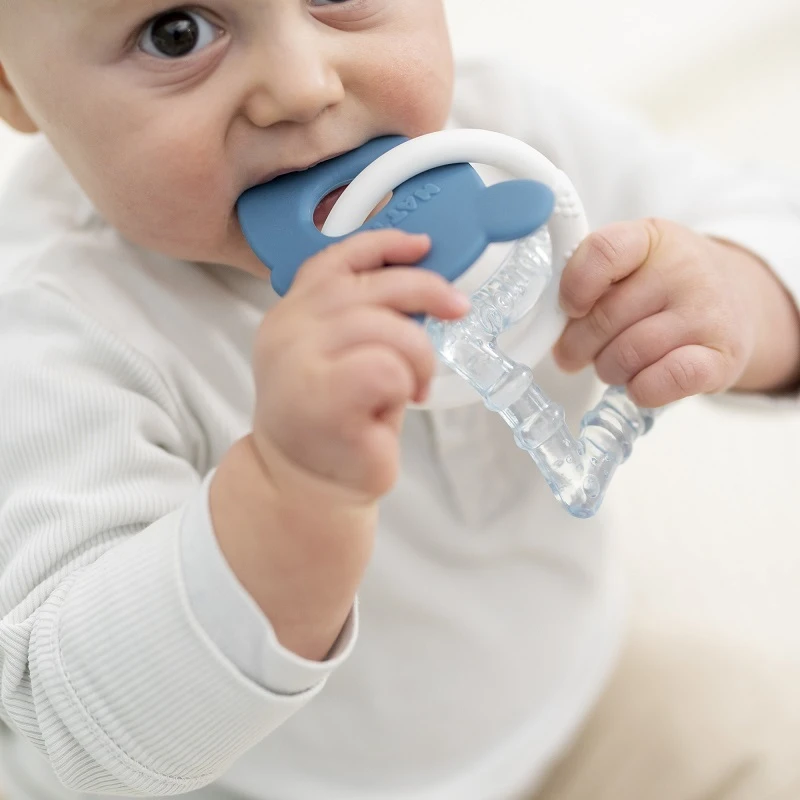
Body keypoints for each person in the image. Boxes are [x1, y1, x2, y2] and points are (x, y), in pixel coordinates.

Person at [0, 2, 798, 798]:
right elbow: (78, 730)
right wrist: (289, 494)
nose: (303, 86)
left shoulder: (514, 140)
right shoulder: (49, 329)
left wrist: (737, 291)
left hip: (579, 698)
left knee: (760, 731)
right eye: (176, 33)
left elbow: (768, 219)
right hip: (281, 786)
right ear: (15, 86)